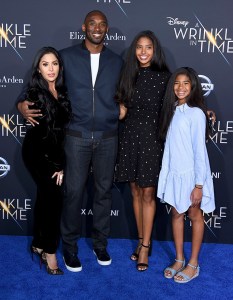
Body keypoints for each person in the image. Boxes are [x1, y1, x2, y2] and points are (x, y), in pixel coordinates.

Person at [18, 10, 123, 272]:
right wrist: (21, 103)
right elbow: (40, 81)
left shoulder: (117, 61)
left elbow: (129, 92)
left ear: (107, 29)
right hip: (75, 137)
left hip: (107, 137)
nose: (96, 28)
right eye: (92, 23)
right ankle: (70, 248)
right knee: (73, 194)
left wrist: (120, 110)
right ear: (83, 27)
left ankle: (100, 244)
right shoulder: (66, 56)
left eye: (101, 24)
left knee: (102, 194)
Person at [115, 30, 171, 271]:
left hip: (152, 140)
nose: (144, 52)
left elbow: (180, 102)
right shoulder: (128, 75)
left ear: (155, 50)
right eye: (139, 47)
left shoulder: (165, 77)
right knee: (135, 192)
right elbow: (121, 111)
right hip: (129, 137)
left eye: (148, 47)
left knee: (148, 193)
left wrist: (204, 111)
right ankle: (140, 241)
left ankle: (146, 247)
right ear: (134, 50)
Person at [157, 67, 215, 283]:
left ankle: (193, 263)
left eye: (186, 84)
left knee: (194, 215)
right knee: (176, 214)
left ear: (193, 87)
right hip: (174, 173)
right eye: (177, 83)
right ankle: (179, 259)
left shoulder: (196, 113)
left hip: (192, 177)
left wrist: (198, 185)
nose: (180, 88)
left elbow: (200, 151)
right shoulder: (170, 110)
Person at [21, 47, 72, 275]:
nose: (51, 69)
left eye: (54, 63)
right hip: (37, 153)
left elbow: (59, 132)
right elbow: (46, 135)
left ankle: (38, 242)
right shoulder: (35, 94)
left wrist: (59, 160)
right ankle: (50, 252)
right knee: (54, 201)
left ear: (60, 66)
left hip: (52, 153)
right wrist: (58, 165)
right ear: (38, 69)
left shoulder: (60, 90)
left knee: (45, 196)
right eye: (45, 64)